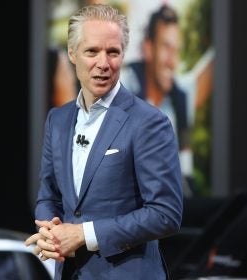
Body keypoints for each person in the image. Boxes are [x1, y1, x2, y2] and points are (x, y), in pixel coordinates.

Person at [25, 4, 183, 280]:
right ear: (73, 54)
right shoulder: (58, 120)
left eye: (113, 52)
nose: (103, 63)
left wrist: (82, 234)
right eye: (92, 51)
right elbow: (49, 195)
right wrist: (50, 230)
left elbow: (165, 214)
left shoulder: (148, 122)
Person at [121, 5, 194, 195]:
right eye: (166, 47)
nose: (172, 61)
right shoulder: (122, 87)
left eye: (176, 50)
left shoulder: (180, 100)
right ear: (148, 48)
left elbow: (185, 173)